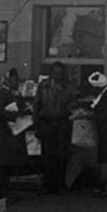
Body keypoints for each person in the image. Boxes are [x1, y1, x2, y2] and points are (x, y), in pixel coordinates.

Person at [33, 62, 76, 195]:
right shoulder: (43, 86)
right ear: (51, 73)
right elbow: (36, 105)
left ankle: (60, 185)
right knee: (47, 156)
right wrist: (37, 124)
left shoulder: (68, 87)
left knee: (62, 156)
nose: (57, 76)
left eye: (60, 73)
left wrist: (66, 110)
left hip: (61, 123)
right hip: (46, 122)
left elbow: (72, 104)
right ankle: (48, 185)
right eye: (55, 73)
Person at [0, 68, 29, 212]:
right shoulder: (0, 94)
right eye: (14, 80)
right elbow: (0, 113)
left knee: (9, 163)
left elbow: (22, 107)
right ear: (8, 80)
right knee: (2, 165)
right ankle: (3, 193)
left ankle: (6, 191)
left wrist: (24, 110)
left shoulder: (16, 94)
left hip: (14, 132)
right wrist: (17, 113)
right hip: (3, 134)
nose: (17, 83)